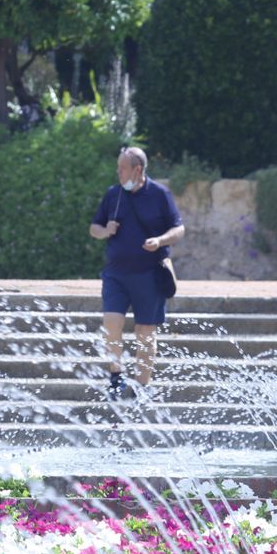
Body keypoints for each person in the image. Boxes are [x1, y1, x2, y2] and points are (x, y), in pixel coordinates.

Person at [87, 146, 183, 400]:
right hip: (116, 274)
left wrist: (160, 240)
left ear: (137, 169)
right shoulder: (113, 195)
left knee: (145, 332)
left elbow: (179, 229)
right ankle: (116, 376)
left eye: (122, 168)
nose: (118, 173)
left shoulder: (160, 195)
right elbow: (93, 229)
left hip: (149, 274)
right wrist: (105, 231)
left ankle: (141, 386)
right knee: (112, 322)